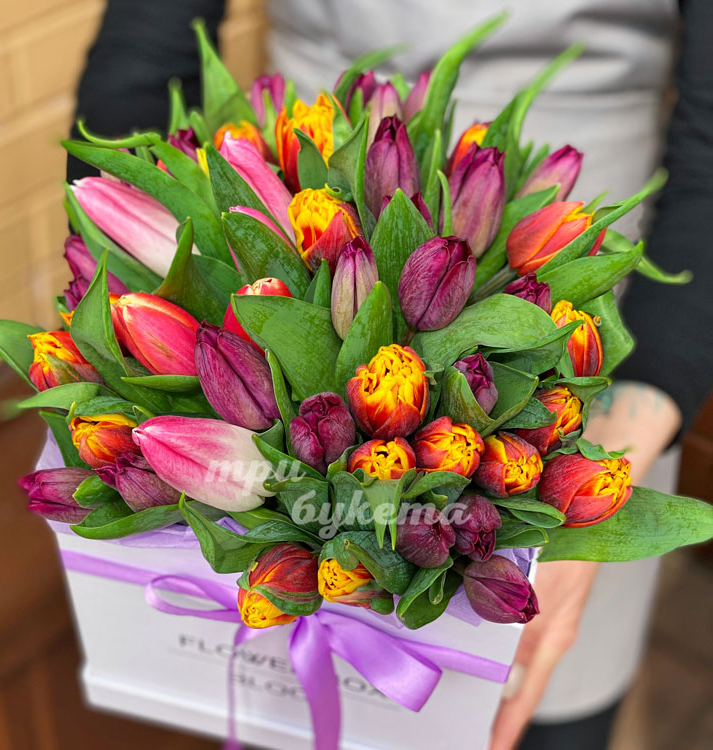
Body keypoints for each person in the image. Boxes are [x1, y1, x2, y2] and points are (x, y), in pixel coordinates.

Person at [69, 1, 713, 747]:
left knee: (535, 700)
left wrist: (614, 448)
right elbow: (144, 47)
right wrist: (111, 286)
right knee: (287, 700)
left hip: (572, 294)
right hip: (299, 192)